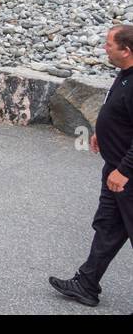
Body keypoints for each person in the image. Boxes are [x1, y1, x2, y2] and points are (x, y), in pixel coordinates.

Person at [48, 24, 133, 308]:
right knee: (108, 227)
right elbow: (118, 111)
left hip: (126, 174)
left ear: (126, 50)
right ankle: (86, 284)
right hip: (115, 169)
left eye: (109, 44)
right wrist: (101, 131)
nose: (104, 49)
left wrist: (125, 171)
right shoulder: (124, 75)